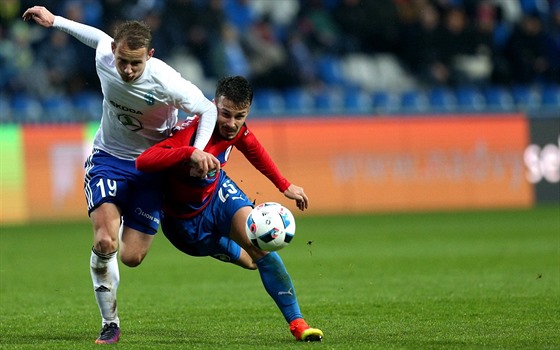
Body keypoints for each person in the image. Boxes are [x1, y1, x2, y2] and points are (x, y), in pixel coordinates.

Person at [22, 6, 221, 344]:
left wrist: (198, 150)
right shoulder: (105, 57)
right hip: (108, 159)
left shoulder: (166, 80)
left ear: (150, 56)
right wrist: (55, 20)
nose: (127, 69)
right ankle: (109, 322)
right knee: (104, 241)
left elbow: (208, 108)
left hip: (152, 168)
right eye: (122, 60)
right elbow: (96, 36)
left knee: (131, 257)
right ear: (114, 51)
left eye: (136, 63)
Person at [136, 76, 324, 342]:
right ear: (213, 105)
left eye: (240, 116)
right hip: (184, 224)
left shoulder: (237, 129)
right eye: (225, 114)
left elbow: (253, 148)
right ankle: (228, 247)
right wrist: (188, 153)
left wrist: (284, 185)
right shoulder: (191, 132)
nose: (232, 124)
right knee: (249, 262)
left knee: (262, 249)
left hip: (219, 195)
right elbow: (143, 162)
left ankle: (298, 324)